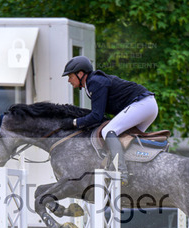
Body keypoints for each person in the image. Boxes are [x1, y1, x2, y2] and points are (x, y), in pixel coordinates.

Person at [61, 56, 158, 185]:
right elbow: (99, 115)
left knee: (108, 131)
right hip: (148, 105)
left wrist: (73, 123)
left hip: (142, 104)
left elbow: (96, 116)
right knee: (125, 139)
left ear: (80, 74)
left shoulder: (95, 82)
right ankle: (136, 172)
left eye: (70, 76)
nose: (69, 80)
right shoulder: (92, 83)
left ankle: (122, 172)